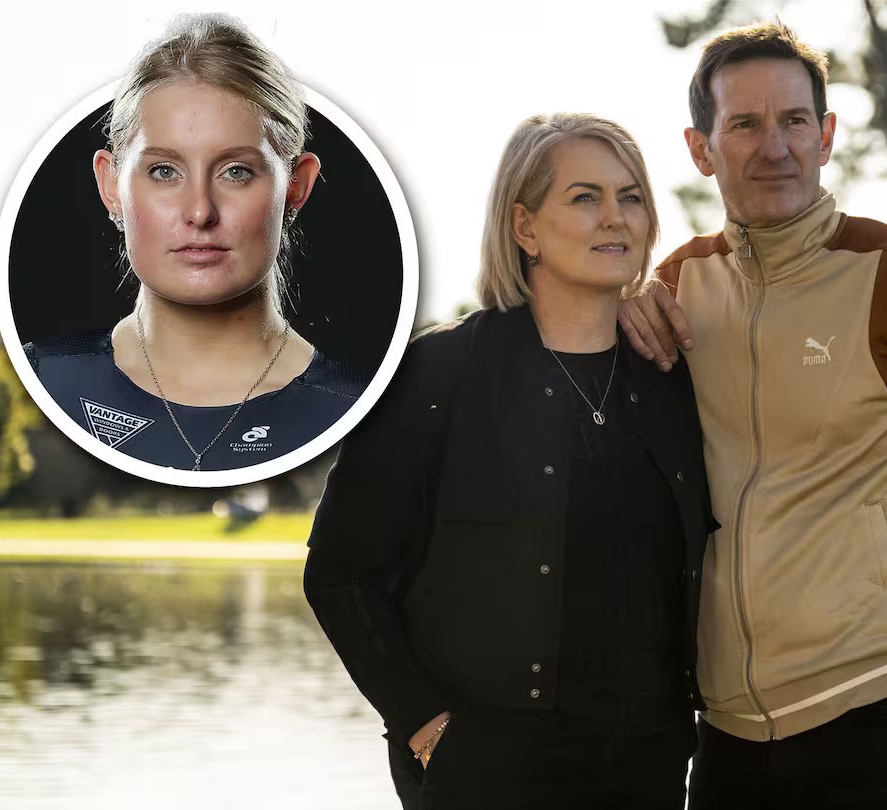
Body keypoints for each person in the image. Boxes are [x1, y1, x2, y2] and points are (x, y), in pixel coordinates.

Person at [619, 21, 887, 809]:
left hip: (886, 709)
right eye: (744, 124)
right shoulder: (676, 290)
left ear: (826, 136)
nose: (774, 146)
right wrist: (625, 302)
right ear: (700, 148)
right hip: (726, 734)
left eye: (793, 121)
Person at [304, 113, 715, 810]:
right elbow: (340, 574)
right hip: (485, 774)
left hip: (647, 765)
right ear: (525, 228)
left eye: (631, 196)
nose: (614, 218)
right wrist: (428, 728)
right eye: (585, 197)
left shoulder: (673, 379)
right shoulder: (435, 377)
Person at [23, 14, 365, 472]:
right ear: (111, 186)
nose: (200, 212)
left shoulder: (358, 409)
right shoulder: (43, 382)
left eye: (236, 171)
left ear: (296, 186)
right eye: (164, 171)